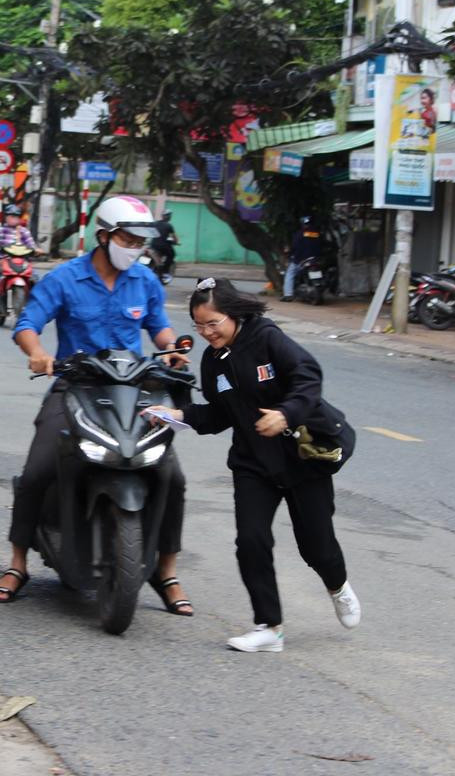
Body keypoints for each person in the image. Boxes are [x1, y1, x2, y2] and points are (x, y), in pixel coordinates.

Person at [0, 195, 193, 616]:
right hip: (75, 388)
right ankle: (17, 564)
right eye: (129, 239)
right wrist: (37, 353)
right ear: (104, 236)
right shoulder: (66, 278)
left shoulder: (145, 280)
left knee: (171, 477)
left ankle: (166, 572)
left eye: (141, 242)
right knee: (37, 472)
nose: (136, 248)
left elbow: (159, 327)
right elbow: (27, 325)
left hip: (134, 390)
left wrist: (171, 349)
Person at [145, 277, 360, 652]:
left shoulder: (267, 338)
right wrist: (176, 413)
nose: (207, 333)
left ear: (233, 315)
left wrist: (285, 413)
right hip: (252, 462)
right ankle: (269, 628)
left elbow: (309, 377)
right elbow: (218, 415)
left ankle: (338, 586)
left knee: (317, 546)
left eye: (214, 323)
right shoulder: (213, 362)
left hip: (300, 458)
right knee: (251, 540)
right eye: (199, 326)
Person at [0, 204, 38, 307]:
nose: (13, 218)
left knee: (35, 277)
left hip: (22, 262)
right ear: (6, 217)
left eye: (16, 216)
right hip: (2, 261)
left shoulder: (24, 232)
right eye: (11, 216)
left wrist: (36, 250)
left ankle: (34, 301)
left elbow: (31, 244)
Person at [282, 216, 322, 301]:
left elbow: (295, 247)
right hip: (315, 259)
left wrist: (291, 254)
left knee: (290, 273)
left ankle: (288, 295)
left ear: (302, 224)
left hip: (301, 260)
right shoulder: (317, 234)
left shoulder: (299, 234)